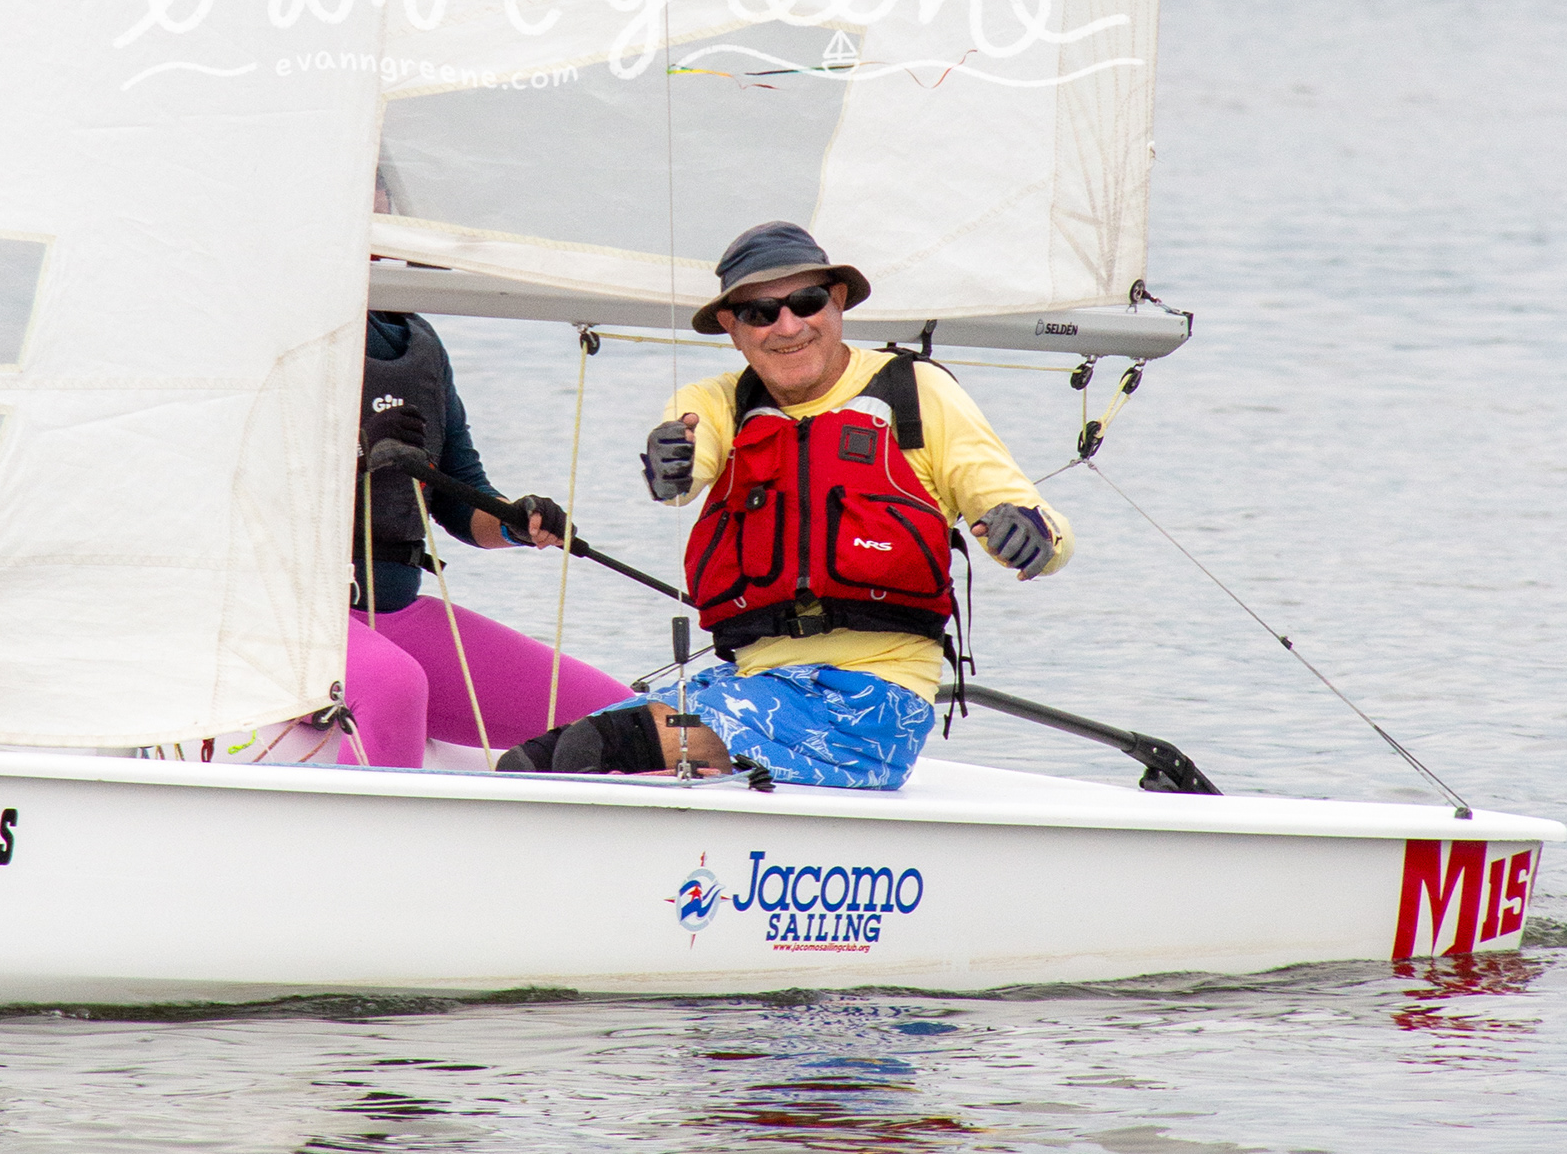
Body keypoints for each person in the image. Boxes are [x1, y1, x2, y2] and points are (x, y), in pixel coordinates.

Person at [497, 221, 1070, 791]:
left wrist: (1035, 538)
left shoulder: (917, 393)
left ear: (837, 300)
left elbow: (1036, 524)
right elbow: (685, 470)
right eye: (760, 312)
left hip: (872, 701)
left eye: (807, 301)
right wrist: (671, 461)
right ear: (732, 327)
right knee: (532, 761)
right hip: (751, 685)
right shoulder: (716, 402)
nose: (788, 327)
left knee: (599, 750)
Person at [314, 311, 628, 768]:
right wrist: (357, 451)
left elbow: (460, 492)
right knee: (395, 685)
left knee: (621, 719)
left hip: (392, 610)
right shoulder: (284, 323)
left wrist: (516, 522)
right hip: (284, 617)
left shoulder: (421, 343)